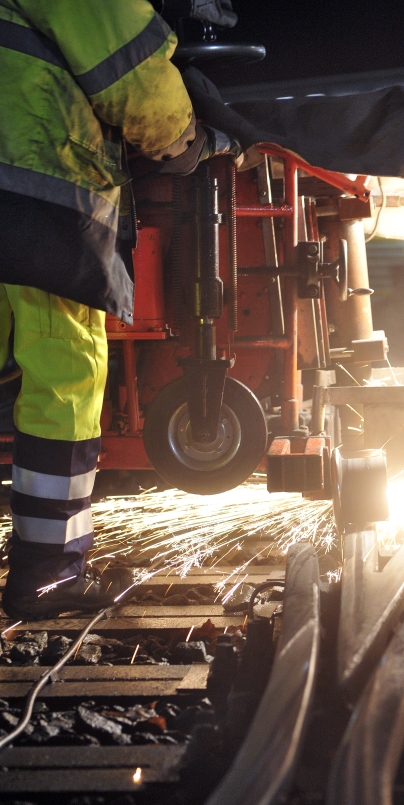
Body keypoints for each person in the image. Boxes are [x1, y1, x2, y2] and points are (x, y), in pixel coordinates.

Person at [0, 0, 239, 619]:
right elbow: (123, 55)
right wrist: (182, 134)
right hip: (29, 175)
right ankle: (48, 575)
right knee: (65, 369)